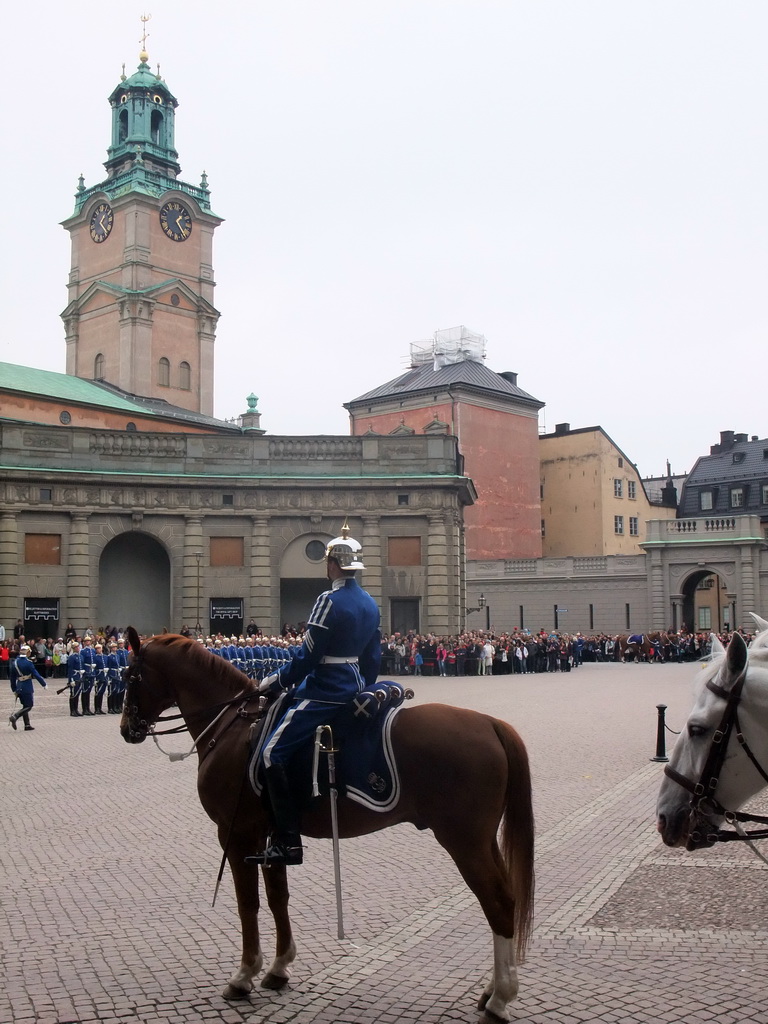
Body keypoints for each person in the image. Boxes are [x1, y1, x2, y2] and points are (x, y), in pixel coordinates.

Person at [256, 520, 381, 866]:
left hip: (327, 688)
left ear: (333, 565)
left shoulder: (328, 600)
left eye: (327, 563)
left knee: (270, 754)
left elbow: (308, 657)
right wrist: (364, 687)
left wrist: (275, 683)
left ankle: (288, 842)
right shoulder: (370, 602)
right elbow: (373, 655)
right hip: (355, 682)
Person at [9, 644, 47, 730]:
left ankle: (27, 724)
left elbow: (12, 678)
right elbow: (36, 674)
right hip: (27, 686)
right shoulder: (28, 663)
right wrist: (43, 684)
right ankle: (15, 716)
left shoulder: (14, 662)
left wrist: (14, 689)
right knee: (29, 706)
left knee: (24, 705)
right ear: (28, 653)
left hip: (19, 686)